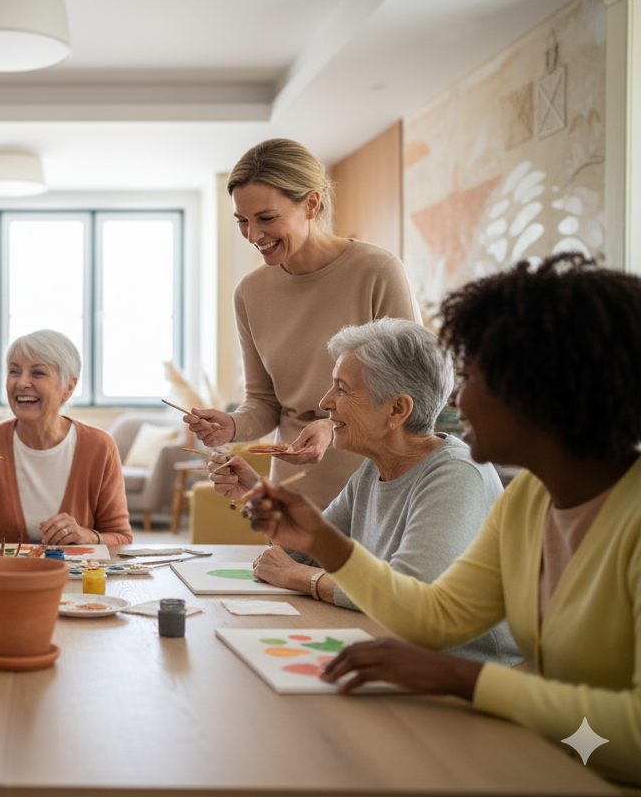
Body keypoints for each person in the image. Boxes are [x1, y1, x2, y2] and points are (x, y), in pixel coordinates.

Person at [243, 253, 641, 788]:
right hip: (551, 758)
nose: (455, 397)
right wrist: (322, 540)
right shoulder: (530, 501)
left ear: (541, 393)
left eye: (472, 376)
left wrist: (462, 678)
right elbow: (437, 615)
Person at [209, 318, 520, 664]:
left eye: (342, 389)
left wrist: (303, 579)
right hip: (398, 654)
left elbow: (406, 600)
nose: (325, 402)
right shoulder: (374, 469)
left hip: (467, 670)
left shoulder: (457, 474)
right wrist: (259, 495)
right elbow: (302, 552)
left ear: (397, 409)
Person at [184, 138, 420, 509]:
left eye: (266, 218)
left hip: (376, 486)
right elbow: (265, 401)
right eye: (242, 221)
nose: (253, 236)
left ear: (311, 204)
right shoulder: (250, 293)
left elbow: (413, 390)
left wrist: (332, 425)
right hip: (293, 492)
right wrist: (231, 426)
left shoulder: (378, 271)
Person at [0, 329, 131, 546]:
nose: (21, 383)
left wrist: (87, 536)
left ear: (69, 387)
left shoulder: (100, 446)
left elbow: (121, 539)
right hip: (5, 569)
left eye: (37, 373)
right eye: (14, 371)